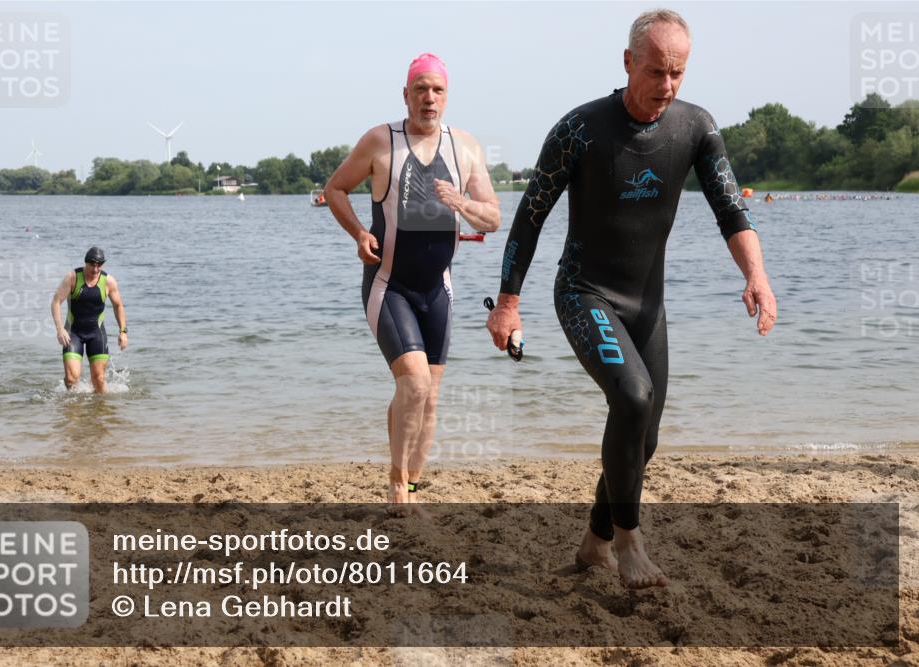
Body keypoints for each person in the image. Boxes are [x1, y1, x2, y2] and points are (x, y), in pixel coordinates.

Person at [486, 10, 777, 588]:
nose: (666, 86)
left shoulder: (695, 127)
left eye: (678, 73)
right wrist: (508, 303)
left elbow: (730, 209)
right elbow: (530, 216)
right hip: (584, 292)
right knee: (634, 395)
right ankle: (628, 544)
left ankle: (593, 545)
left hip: (647, 304)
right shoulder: (580, 129)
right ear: (627, 63)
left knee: (645, 433)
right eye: (655, 71)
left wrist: (757, 276)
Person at [324, 53, 500, 504]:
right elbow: (335, 188)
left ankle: (413, 484)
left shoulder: (465, 147)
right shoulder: (381, 141)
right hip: (389, 286)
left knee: (430, 396)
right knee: (415, 384)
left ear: (447, 96)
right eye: (420, 88)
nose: (429, 97)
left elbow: (493, 218)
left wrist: (462, 204)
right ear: (406, 94)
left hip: (437, 290)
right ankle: (397, 483)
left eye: (437, 89)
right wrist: (359, 233)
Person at [50, 247, 127, 394]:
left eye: (99, 265)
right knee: (72, 379)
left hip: (96, 333)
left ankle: (99, 412)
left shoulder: (108, 281)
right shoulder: (73, 277)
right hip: (73, 333)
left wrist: (123, 331)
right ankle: (72, 411)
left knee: (98, 380)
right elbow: (55, 302)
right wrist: (60, 329)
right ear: (86, 263)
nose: (96, 268)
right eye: (92, 264)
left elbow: (118, 306)